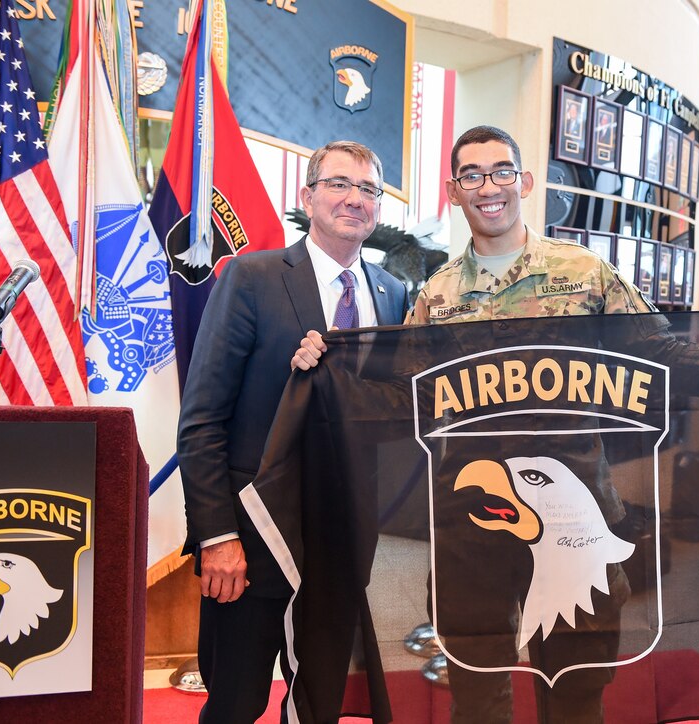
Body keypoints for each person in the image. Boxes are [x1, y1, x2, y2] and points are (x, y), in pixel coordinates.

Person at [293, 125, 699, 723]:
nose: (489, 187)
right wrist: (325, 365)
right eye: (472, 176)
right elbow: (402, 394)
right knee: (476, 690)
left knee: (576, 690)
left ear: (525, 182)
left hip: (575, 515)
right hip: (471, 520)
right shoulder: (437, 294)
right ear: (455, 192)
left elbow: (661, 353)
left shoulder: (582, 272)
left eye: (502, 171)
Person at [177, 141, 409, 723]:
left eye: (369, 189)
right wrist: (215, 538)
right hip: (252, 540)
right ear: (306, 197)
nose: (354, 199)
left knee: (318, 704)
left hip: (343, 541)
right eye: (338, 184)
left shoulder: (393, 293)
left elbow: (393, 413)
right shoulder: (252, 278)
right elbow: (202, 418)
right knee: (236, 701)